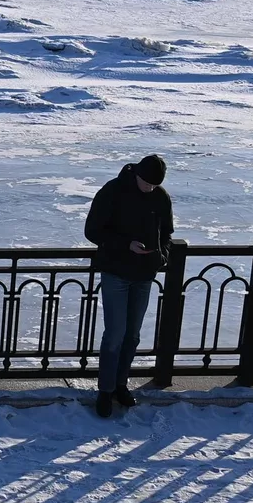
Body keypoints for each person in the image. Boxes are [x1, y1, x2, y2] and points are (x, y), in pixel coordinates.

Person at [83, 154, 173, 418]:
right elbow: (92, 231)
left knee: (132, 335)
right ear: (137, 174)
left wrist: (162, 256)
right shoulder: (113, 191)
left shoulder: (160, 196)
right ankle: (105, 390)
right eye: (147, 183)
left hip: (144, 275)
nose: (150, 188)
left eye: (155, 185)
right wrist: (126, 244)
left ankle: (121, 385)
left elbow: (167, 233)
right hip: (115, 272)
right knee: (115, 334)